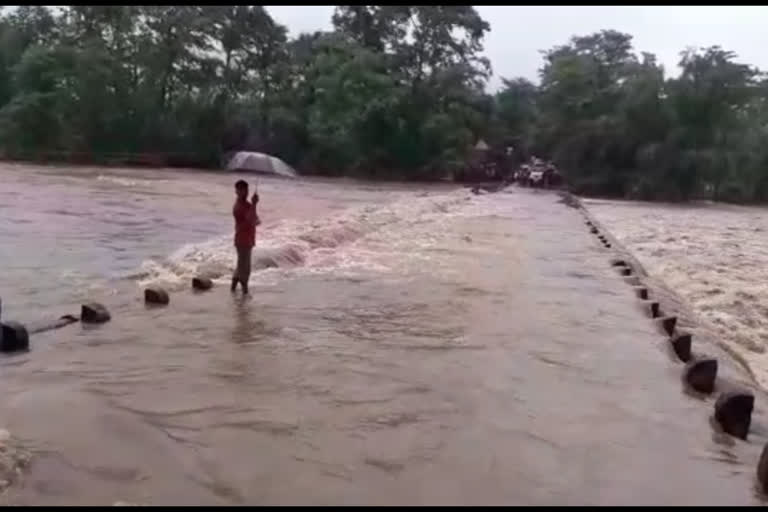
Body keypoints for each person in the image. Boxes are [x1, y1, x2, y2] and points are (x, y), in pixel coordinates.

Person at [231, 180, 261, 294]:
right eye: (242, 190)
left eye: (246, 190)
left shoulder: (246, 205)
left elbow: (255, 220)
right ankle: (245, 293)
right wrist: (254, 204)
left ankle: (233, 289)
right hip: (243, 239)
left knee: (240, 265)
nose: (246, 192)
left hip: (246, 238)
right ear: (237, 191)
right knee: (245, 268)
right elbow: (250, 219)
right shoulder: (239, 206)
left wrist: (253, 205)